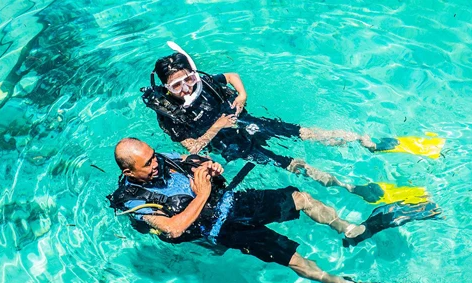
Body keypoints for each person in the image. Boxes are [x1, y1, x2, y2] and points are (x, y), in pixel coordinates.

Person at [106, 138, 462, 283]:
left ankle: (349, 231)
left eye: (153, 157)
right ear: (129, 170)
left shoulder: (159, 159)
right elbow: (174, 228)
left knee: (300, 198)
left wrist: (207, 166)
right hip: (218, 229)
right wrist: (201, 194)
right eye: (148, 164)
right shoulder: (130, 200)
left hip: (232, 202)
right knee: (293, 260)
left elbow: (188, 159)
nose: (156, 164)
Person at [142, 44, 391, 202]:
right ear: (165, 88)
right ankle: (349, 187)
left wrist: (242, 95)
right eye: (176, 85)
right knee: (288, 163)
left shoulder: (203, 82)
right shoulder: (168, 113)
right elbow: (193, 148)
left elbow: (232, 76)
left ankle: (362, 140)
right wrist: (217, 126)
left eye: (188, 79)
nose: (186, 88)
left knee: (302, 133)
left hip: (247, 121)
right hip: (232, 146)